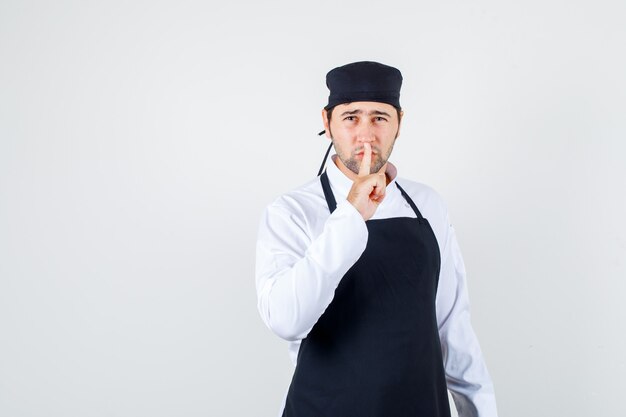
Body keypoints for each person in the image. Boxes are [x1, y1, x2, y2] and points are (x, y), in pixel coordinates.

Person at [255, 61, 498, 417]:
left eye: (379, 118)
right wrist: (351, 214)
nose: (366, 134)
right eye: (351, 117)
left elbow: (452, 328)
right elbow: (287, 320)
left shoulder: (427, 205)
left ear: (399, 122)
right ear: (327, 122)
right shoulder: (292, 212)